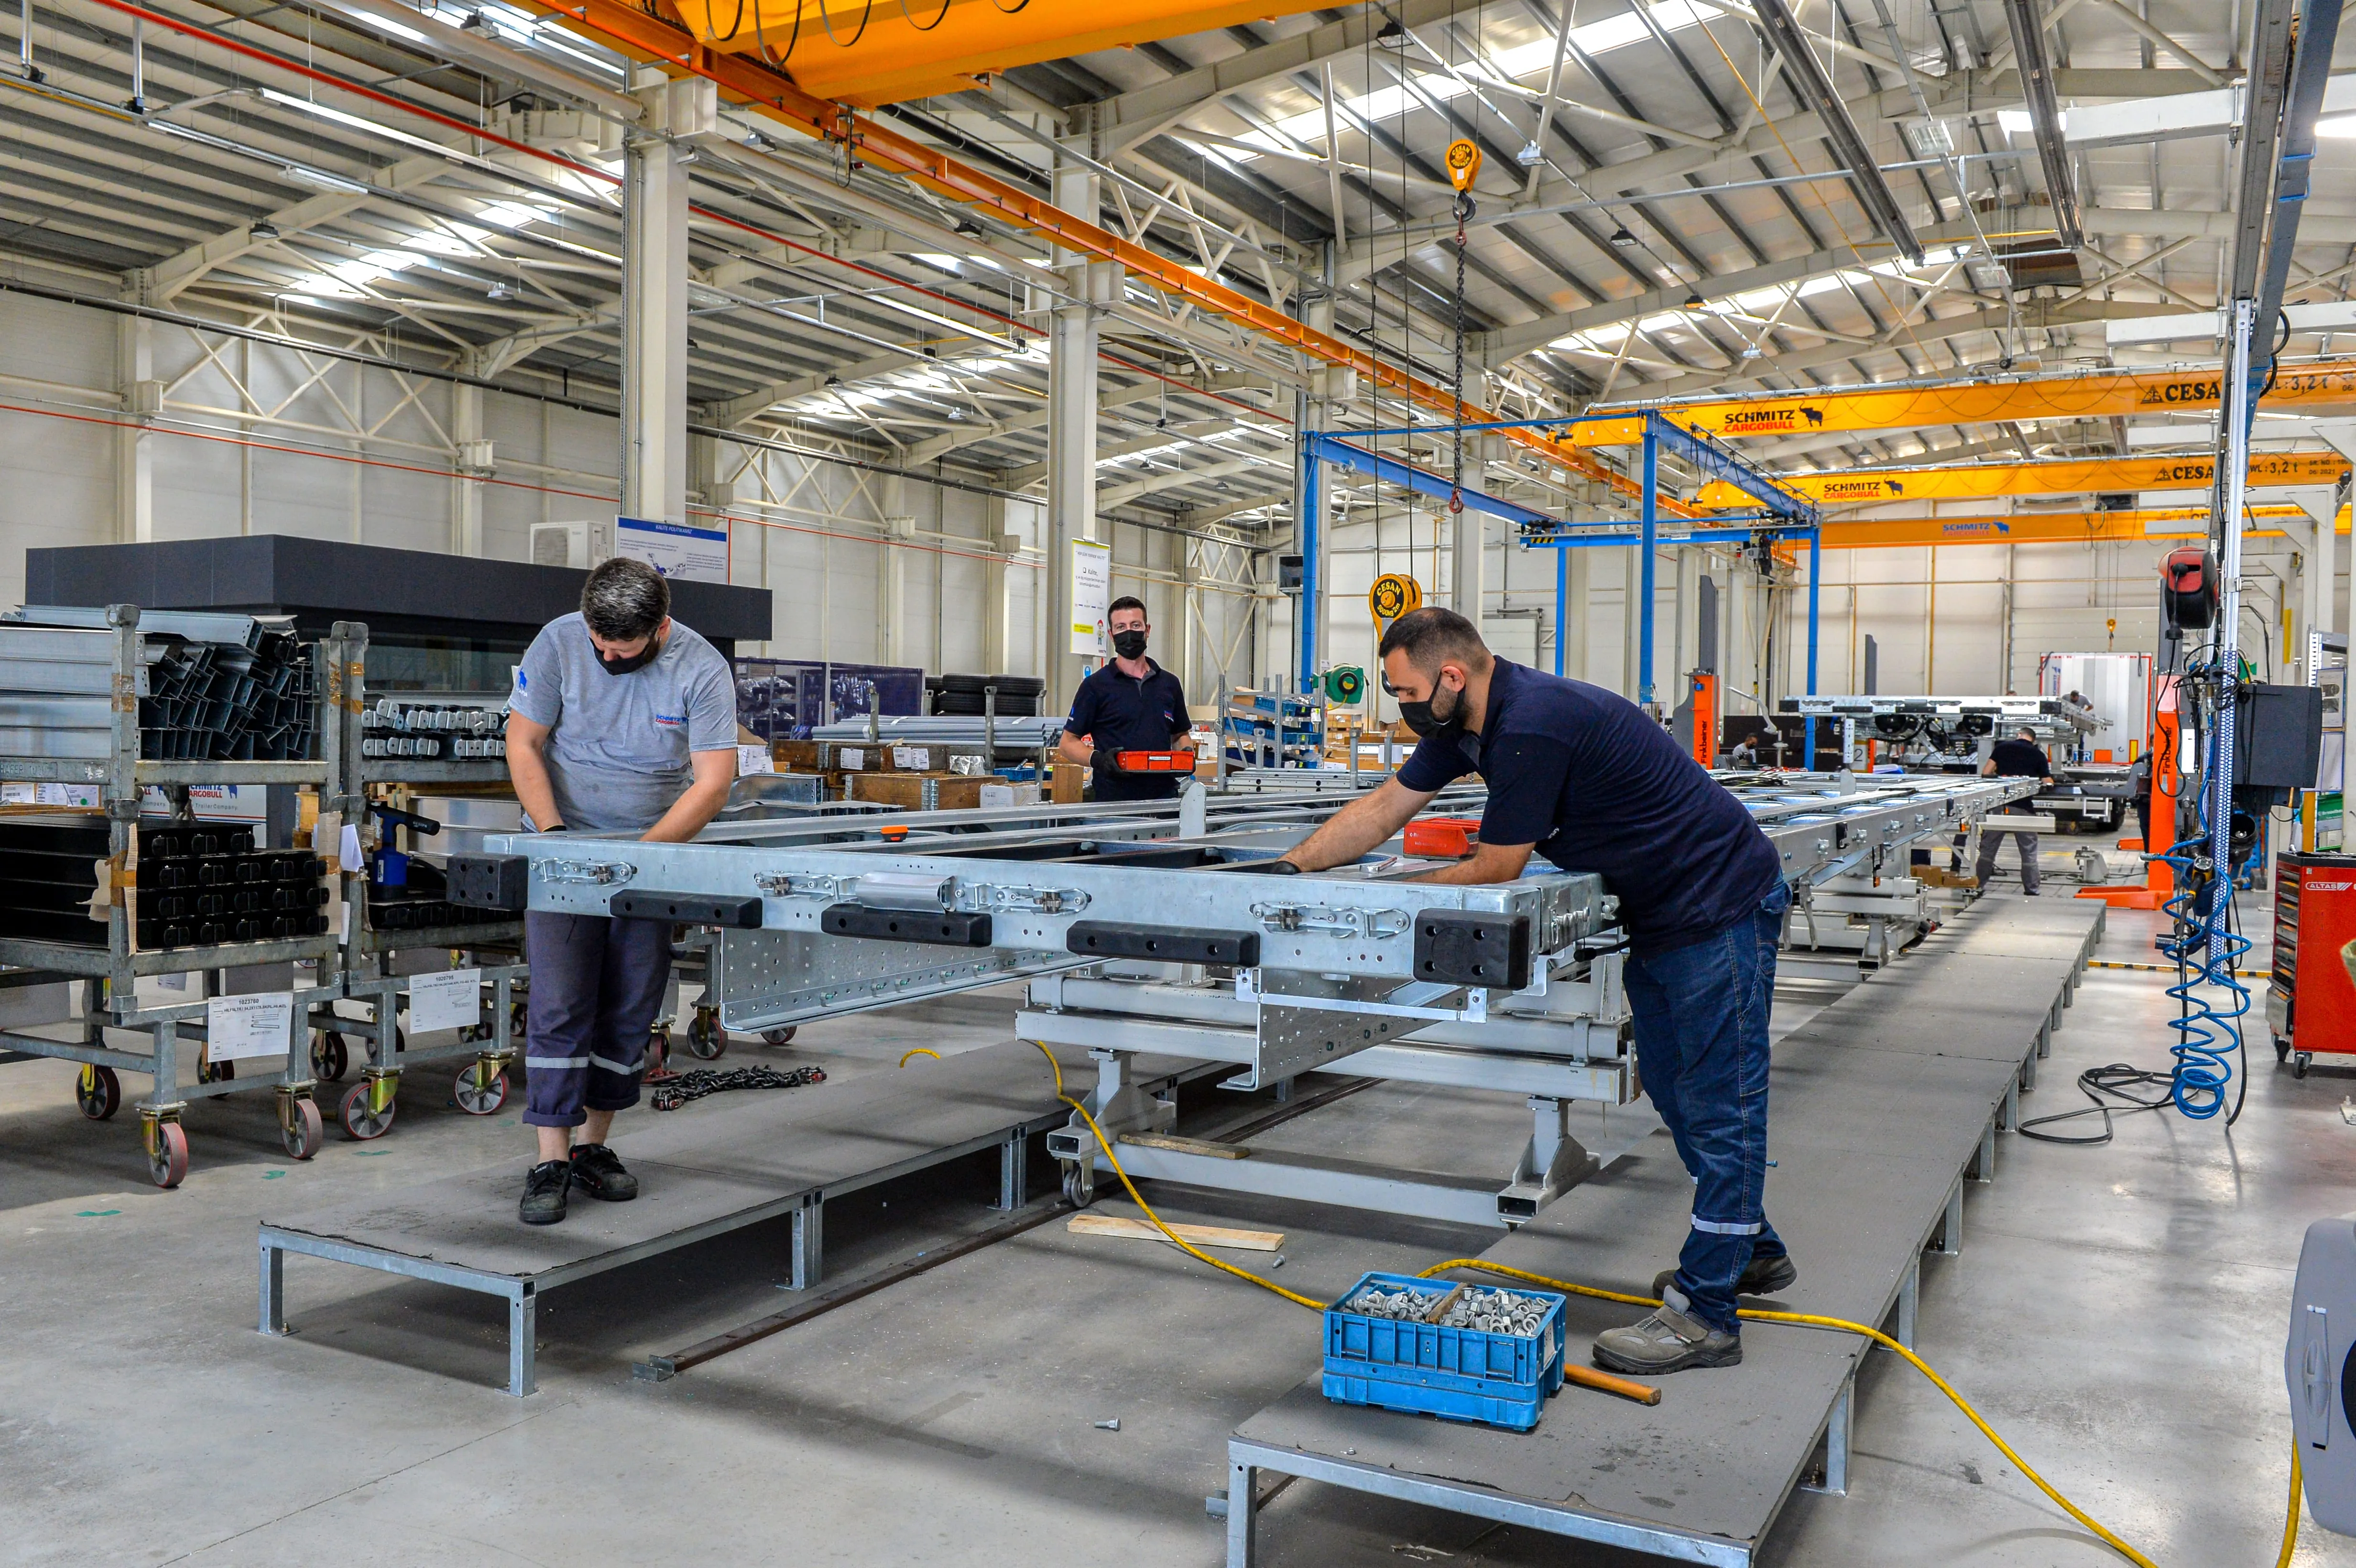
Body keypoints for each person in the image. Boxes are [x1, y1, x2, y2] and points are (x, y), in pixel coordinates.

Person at [1270, 608, 1792, 1374]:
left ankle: (1709, 1315)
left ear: (1452, 676)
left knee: (1723, 1104)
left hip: (1720, 910)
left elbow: (1493, 869)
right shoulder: (1467, 723)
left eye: (1404, 689)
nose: (1399, 705)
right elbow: (1386, 806)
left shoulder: (1531, 726)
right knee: (1681, 1096)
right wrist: (1294, 870)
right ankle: (1751, 1253)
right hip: (1664, 915)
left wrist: (1387, 902)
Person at [504, 559, 739, 1225]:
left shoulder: (701, 668)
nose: (605, 656)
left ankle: (592, 1150)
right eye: (598, 643)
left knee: (631, 1006)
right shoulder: (556, 642)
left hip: (652, 854)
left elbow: (713, 783)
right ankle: (550, 1157)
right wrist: (553, 837)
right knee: (560, 1001)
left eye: (621, 649)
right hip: (565, 851)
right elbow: (524, 742)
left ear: (659, 628)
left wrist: (644, 859)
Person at [1058, 596, 1192, 802]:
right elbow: (1067, 744)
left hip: (1164, 801)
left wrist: (1186, 753)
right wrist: (1099, 760)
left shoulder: (1170, 684)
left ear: (1147, 630)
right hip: (1114, 805)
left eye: (1135, 625)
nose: (1129, 632)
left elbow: (1179, 735)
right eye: (1121, 627)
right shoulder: (1095, 686)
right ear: (1111, 635)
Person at [1976, 727, 2055, 895]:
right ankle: (2032, 889)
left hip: (2000, 806)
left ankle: (1978, 885)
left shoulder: (2002, 748)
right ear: (2033, 740)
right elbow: (2048, 781)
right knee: (2029, 851)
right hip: (2023, 808)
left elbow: (1986, 773)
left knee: (1988, 850)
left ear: (2019, 735)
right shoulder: (2038, 755)